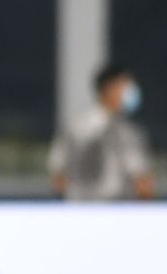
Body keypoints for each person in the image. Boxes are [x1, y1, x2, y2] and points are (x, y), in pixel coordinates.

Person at [49, 64, 156, 201]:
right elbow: (143, 184)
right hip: (103, 213)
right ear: (109, 88)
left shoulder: (75, 127)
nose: (131, 91)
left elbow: (58, 179)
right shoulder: (80, 130)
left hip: (88, 212)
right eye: (126, 85)